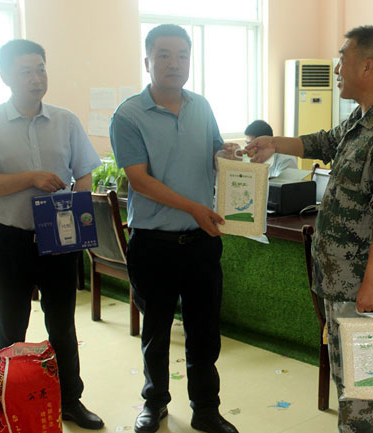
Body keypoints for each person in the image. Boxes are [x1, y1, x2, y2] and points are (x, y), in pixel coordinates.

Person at [245, 25, 373, 432]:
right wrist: (274, 143)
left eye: (342, 59)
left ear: (367, 66)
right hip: (341, 281)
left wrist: (372, 283)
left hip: (365, 286)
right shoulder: (363, 117)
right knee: (350, 385)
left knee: (369, 394)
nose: (336, 69)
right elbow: (325, 142)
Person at [0, 39, 104, 429]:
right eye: (25, 71)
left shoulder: (65, 121)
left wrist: (76, 206)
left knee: (62, 325)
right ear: (5, 76)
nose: (36, 78)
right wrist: (31, 178)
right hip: (10, 240)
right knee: (11, 327)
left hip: (59, 241)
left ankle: (70, 400)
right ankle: (8, 402)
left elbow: (85, 171)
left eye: (40, 69)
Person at [109, 24, 238, 433]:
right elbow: (139, 180)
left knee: (204, 331)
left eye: (182, 55)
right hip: (153, 244)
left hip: (202, 243)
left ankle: (206, 409)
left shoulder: (202, 106)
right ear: (147, 61)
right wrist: (194, 208)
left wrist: (227, 156)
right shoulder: (128, 115)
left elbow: (214, 152)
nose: (174, 63)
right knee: (156, 331)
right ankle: (155, 404)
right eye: (164, 55)